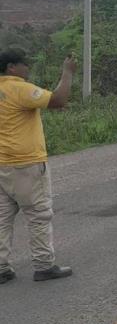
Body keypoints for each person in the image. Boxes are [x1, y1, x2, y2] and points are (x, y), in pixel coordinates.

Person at [0, 48, 76, 283]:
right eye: (24, 64)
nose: (28, 68)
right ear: (11, 67)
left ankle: (2, 268)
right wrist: (67, 73)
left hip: (2, 163)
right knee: (38, 215)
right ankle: (44, 264)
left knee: (2, 218)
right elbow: (58, 99)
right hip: (26, 163)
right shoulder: (18, 87)